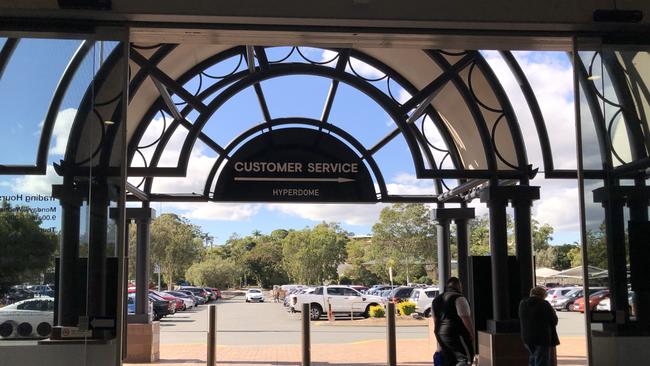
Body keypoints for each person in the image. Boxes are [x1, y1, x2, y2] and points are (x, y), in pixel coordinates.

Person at [432, 277, 475, 366]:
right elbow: (465, 318)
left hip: (440, 333)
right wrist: (471, 333)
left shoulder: (436, 300)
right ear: (459, 286)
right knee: (464, 358)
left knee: (448, 358)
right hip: (456, 333)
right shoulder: (459, 298)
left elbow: (435, 320)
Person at [519, 286, 560, 366]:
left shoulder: (523, 303)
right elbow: (554, 320)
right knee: (541, 361)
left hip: (527, 337)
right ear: (543, 295)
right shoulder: (544, 304)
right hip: (542, 338)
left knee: (533, 358)